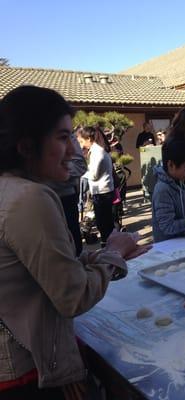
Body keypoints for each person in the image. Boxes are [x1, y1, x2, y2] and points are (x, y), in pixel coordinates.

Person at [0, 85, 150, 399]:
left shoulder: (8, 188)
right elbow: (72, 296)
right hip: (29, 372)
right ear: (27, 146)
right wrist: (113, 252)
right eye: (62, 137)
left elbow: (41, 274)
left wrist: (104, 257)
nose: (74, 150)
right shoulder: (31, 198)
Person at [47, 132, 87, 256]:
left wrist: (55, 172)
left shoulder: (67, 133)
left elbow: (80, 166)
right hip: (32, 199)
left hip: (65, 198)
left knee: (72, 246)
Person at [77, 126, 115, 245]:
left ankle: (108, 246)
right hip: (104, 191)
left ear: (89, 139)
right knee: (105, 223)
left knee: (103, 224)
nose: (81, 145)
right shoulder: (97, 151)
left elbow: (94, 175)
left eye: (82, 141)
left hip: (102, 192)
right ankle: (109, 244)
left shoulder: (97, 152)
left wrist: (81, 172)